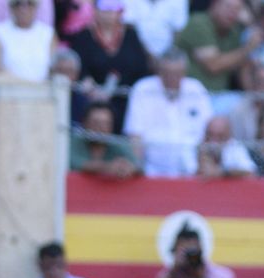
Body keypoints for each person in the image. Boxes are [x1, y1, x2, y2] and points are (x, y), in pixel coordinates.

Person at [123, 48, 213, 177]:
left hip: (193, 169)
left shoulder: (196, 89)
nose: (172, 78)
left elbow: (208, 133)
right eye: (167, 73)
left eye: (177, 74)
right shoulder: (143, 89)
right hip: (152, 170)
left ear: (184, 73)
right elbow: (135, 136)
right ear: (159, 72)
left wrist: (203, 166)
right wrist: (138, 169)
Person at [67, 0, 152, 130]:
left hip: (124, 101)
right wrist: (88, 82)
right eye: (104, 7)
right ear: (95, 10)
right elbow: (78, 68)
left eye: (113, 8)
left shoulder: (131, 36)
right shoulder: (83, 37)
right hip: (90, 100)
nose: (109, 12)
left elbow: (141, 69)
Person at [175, 0, 261, 94]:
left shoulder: (234, 30)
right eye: (228, 7)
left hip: (222, 95)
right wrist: (248, 48)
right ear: (214, 4)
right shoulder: (198, 23)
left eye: (237, 9)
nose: (232, 12)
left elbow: (243, 63)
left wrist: (251, 24)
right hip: (191, 96)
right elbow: (213, 65)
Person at [0, 0, 55, 80]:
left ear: (36, 7)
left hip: (42, 90)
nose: (23, 9)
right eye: (18, 4)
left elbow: (53, 71)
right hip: (9, 89)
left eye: (29, 3)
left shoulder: (48, 34)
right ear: (11, 7)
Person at [72, 101, 142, 177]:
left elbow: (138, 167)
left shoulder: (118, 144)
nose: (100, 128)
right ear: (84, 123)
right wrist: (106, 167)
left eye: (106, 123)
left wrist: (128, 168)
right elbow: (71, 162)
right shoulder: (73, 141)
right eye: (95, 122)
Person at [121, 0, 188, 58]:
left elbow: (179, 30)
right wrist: (149, 56)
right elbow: (128, 26)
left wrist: (167, 56)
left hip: (166, 57)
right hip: (136, 53)